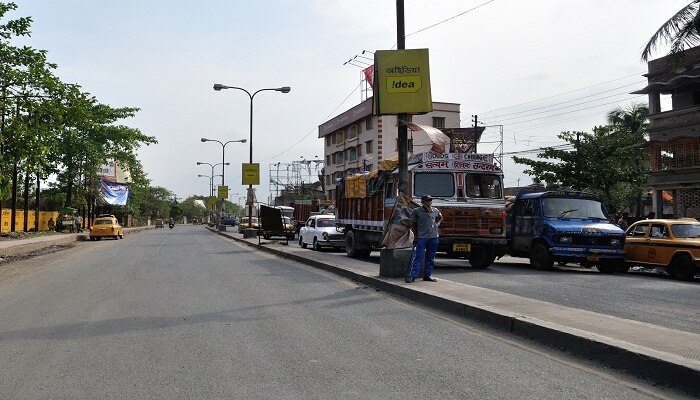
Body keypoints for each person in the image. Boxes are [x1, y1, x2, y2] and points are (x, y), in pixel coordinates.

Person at [406, 194, 443, 283]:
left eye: (430, 200)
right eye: (427, 200)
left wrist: (437, 224)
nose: (429, 202)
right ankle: (413, 275)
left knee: (430, 257)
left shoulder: (435, 210)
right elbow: (414, 224)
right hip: (422, 237)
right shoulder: (417, 211)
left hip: (433, 237)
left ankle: (427, 275)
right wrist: (415, 236)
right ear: (423, 202)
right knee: (418, 256)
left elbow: (440, 217)